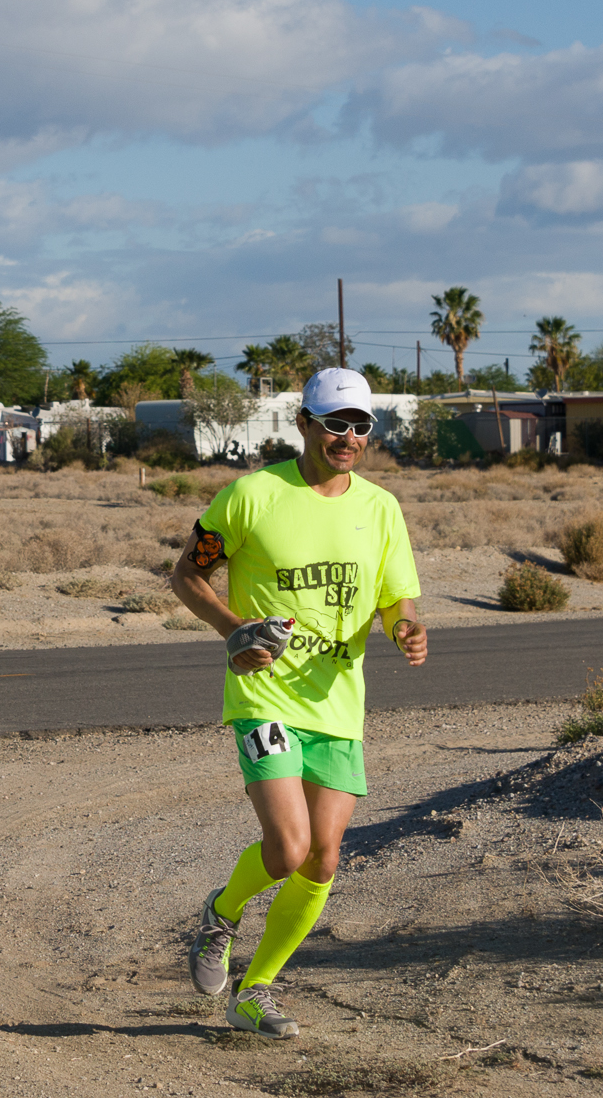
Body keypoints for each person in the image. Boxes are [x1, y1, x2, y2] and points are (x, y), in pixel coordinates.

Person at [169, 367, 427, 1038]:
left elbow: (396, 594)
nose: (347, 436)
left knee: (323, 859)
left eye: (360, 424)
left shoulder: (380, 508)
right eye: (334, 422)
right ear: (303, 423)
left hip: (337, 706)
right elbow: (185, 572)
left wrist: (404, 623)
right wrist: (233, 631)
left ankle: (255, 990)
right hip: (265, 697)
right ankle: (221, 913)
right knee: (286, 847)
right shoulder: (251, 496)